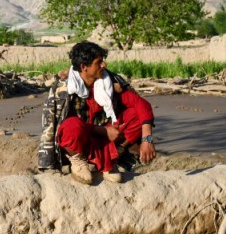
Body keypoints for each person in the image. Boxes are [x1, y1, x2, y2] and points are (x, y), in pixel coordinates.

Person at [55, 41, 157, 185]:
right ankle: (79, 161)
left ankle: (110, 159)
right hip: (81, 141)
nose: (104, 65)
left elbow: (142, 104)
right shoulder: (65, 88)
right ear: (84, 67)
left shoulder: (109, 83)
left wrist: (147, 139)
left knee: (134, 114)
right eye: (99, 62)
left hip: (105, 142)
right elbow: (60, 126)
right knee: (72, 126)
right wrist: (103, 131)